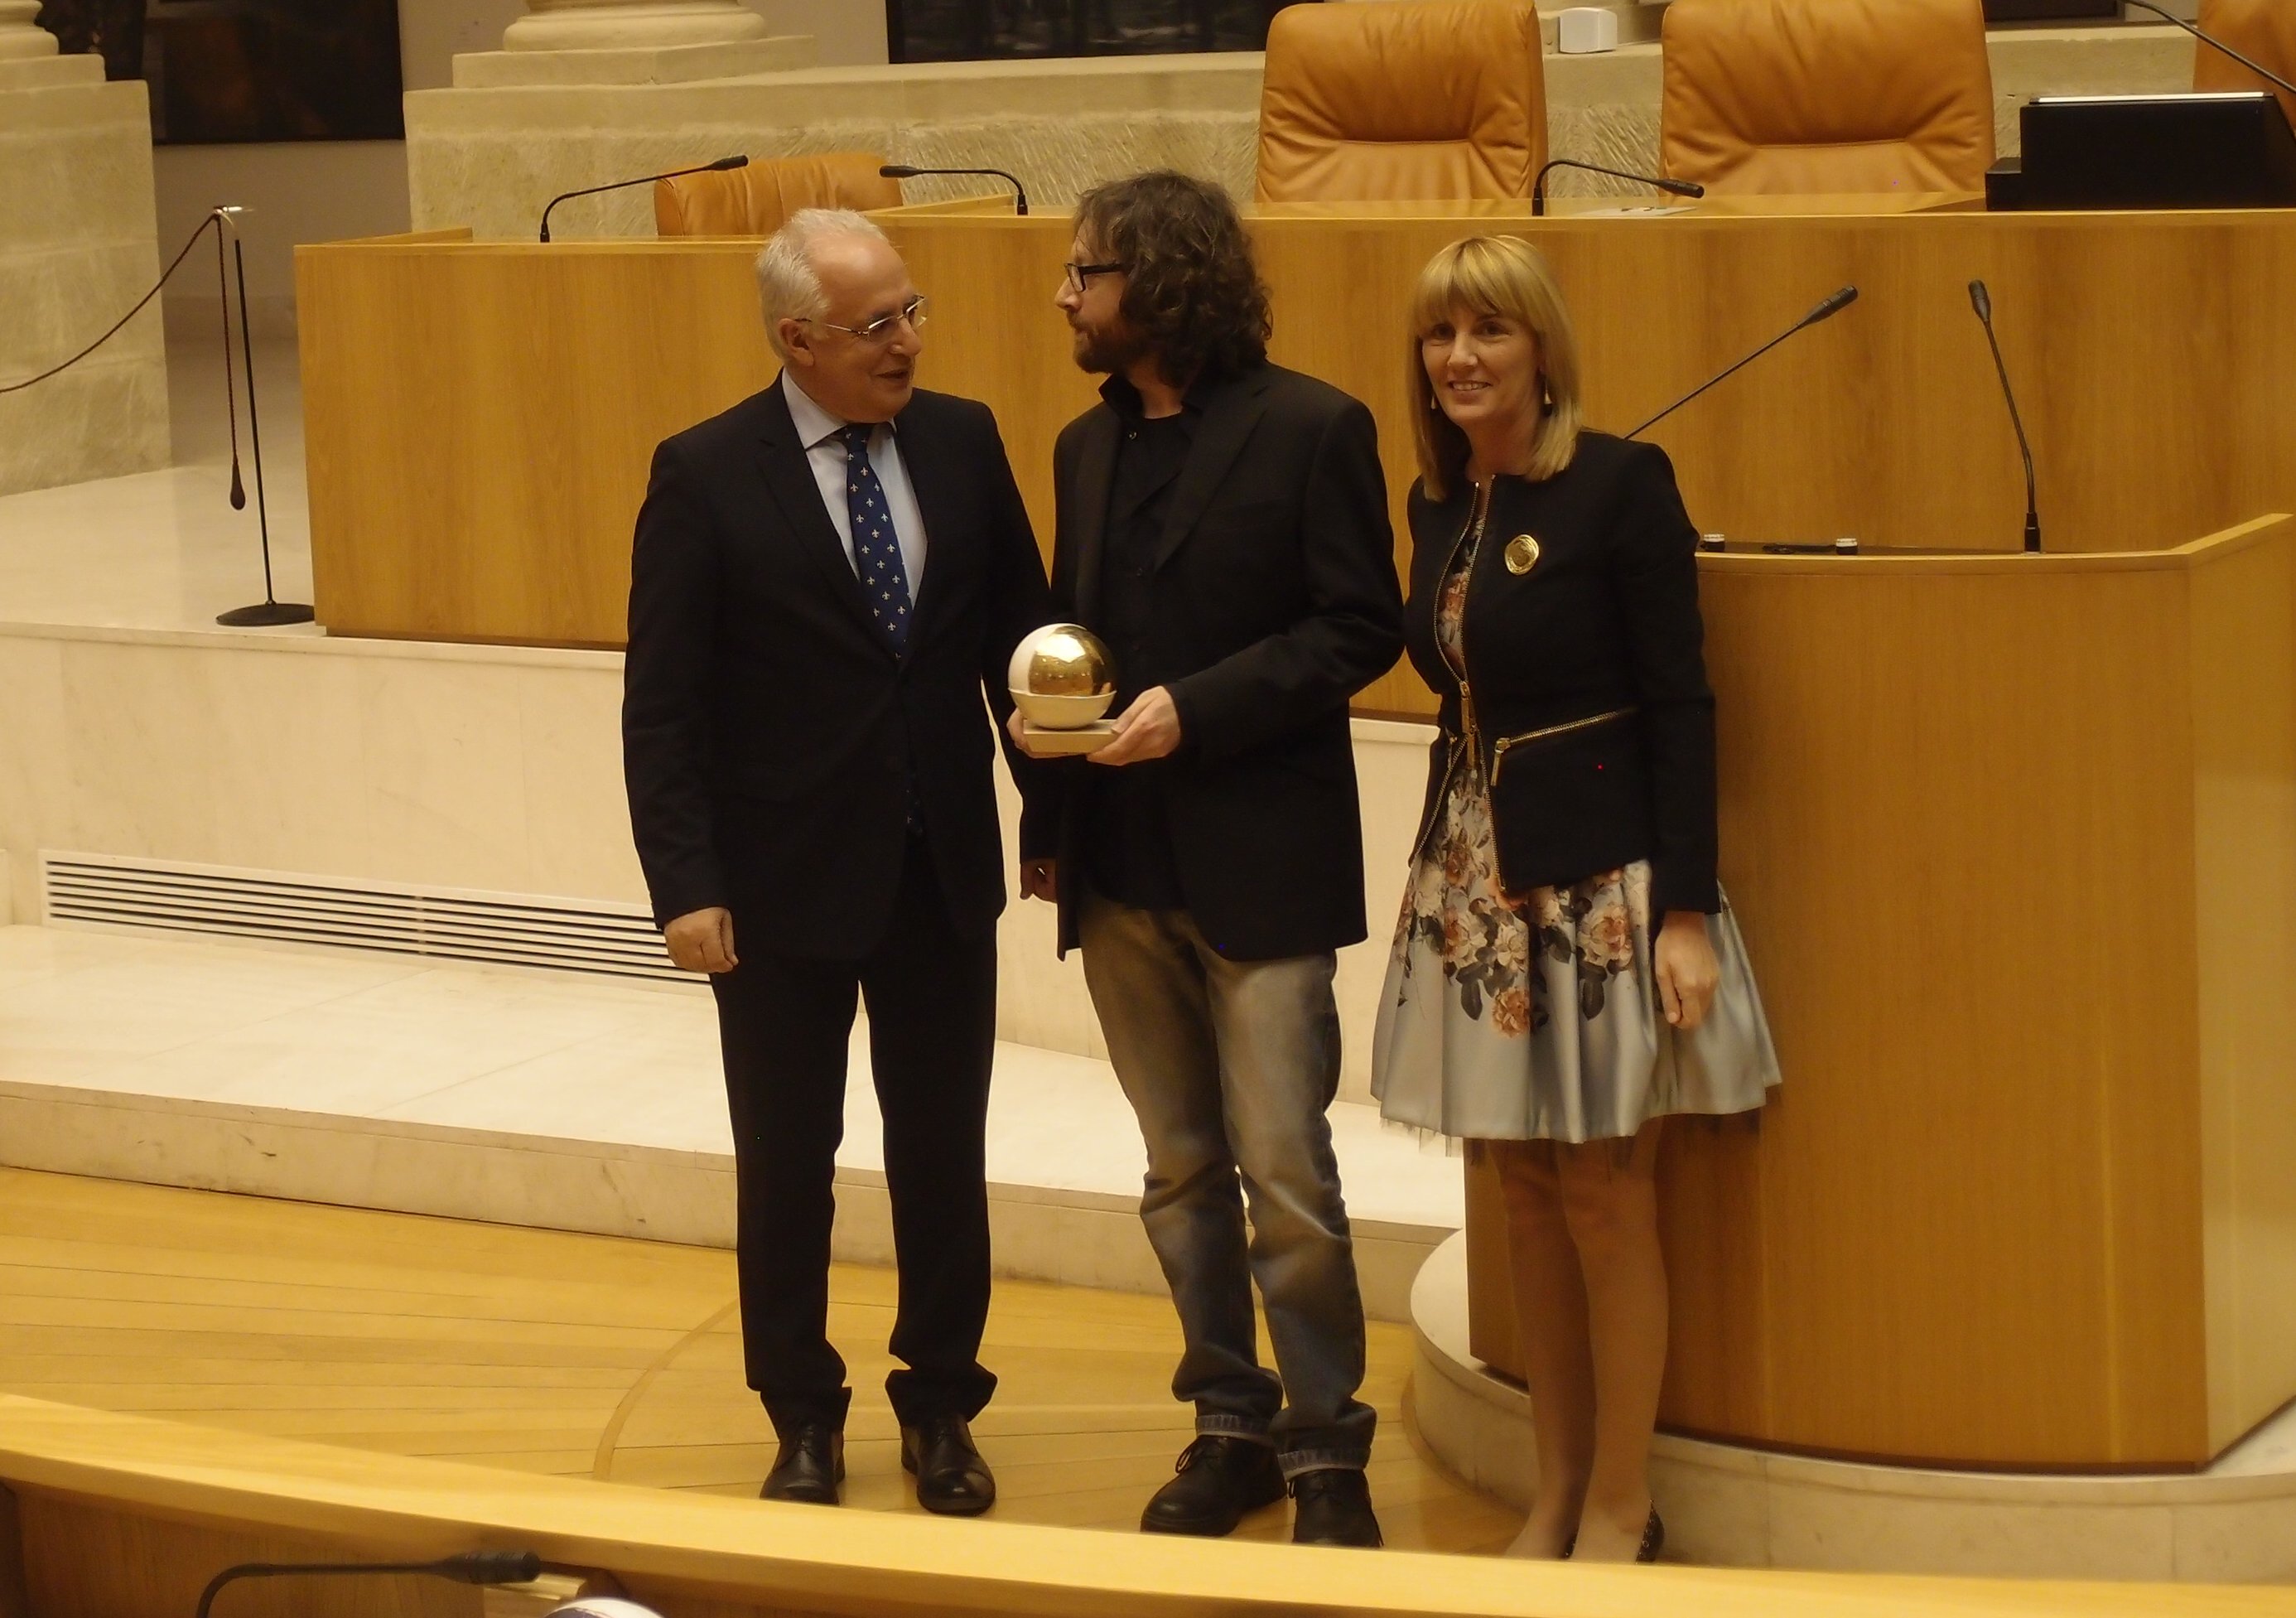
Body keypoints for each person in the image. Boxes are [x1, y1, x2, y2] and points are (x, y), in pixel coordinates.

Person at [622, 208, 1051, 1517]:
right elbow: (664, 706)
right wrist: (686, 881)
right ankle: (801, 1410)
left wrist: (1055, 816)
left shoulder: (964, 439)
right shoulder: (705, 472)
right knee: (787, 1162)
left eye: (912, 312)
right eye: (877, 326)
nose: (907, 341)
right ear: (796, 339)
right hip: (775, 888)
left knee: (942, 1153)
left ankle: (943, 1404)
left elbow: (1022, 649)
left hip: (938, 871)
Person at [1372, 234, 1781, 1564]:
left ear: (1543, 348)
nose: (1461, 357)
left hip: (1602, 888)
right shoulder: (1440, 502)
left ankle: (1620, 1499)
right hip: (1476, 887)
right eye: (1441, 334)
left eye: (1489, 330)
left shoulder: (1619, 484)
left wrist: (1685, 911)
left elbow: (1681, 703)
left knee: (1606, 1199)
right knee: (1526, 1201)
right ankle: (1553, 1489)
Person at [1013, 170, 1404, 1548]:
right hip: (1121, 864)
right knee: (1178, 1171)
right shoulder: (1083, 446)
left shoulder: (1313, 428)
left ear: (1163, 280)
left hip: (1263, 863)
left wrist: (1200, 708)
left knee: (1286, 1170)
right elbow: (1076, 640)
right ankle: (1230, 1423)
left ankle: (1327, 1449)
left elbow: (1360, 627)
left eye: (1087, 272)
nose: (1065, 294)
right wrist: (1047, 798)